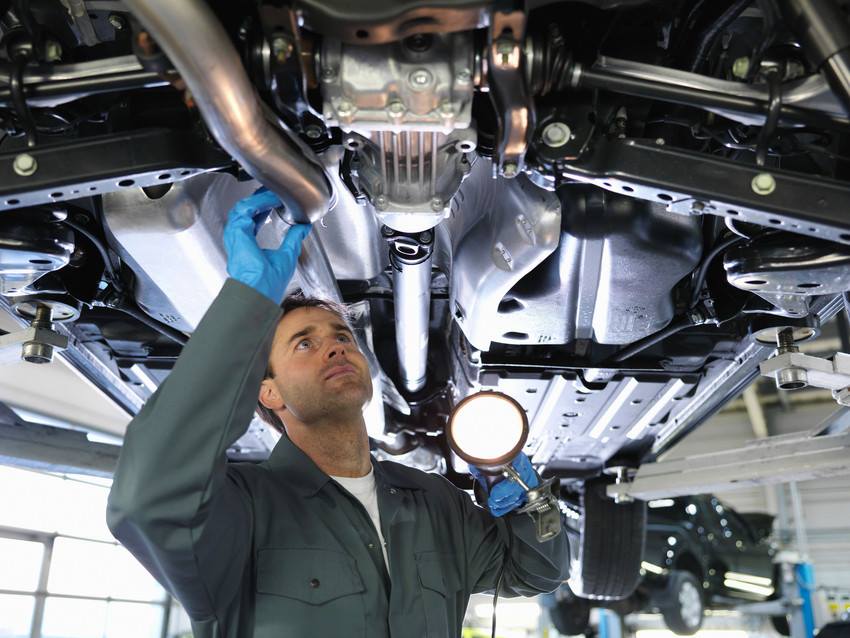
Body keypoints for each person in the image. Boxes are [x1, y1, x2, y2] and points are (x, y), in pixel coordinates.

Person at [106, 189, 569, 638]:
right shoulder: (241, 511)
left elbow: (535, 573)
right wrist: (246, 304)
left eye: (342, 336)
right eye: (304, 344)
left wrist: (531, 504)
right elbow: (149, 497)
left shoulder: (434, 503)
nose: (334, 347)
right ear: (267, 391)